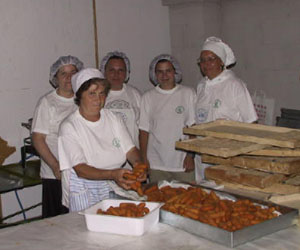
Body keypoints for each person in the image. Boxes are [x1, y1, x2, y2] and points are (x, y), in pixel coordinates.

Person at [58, 68, 146, 212]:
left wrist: (138, 165)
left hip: (114, 186)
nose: (98, 99)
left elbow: (130, 149)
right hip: (86, 190)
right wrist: (113, 174)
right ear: (79, 96)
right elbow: (81, 170)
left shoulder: (113, 118)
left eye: (102, 94)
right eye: (92, 93)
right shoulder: (69, 126)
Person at [195, 36, 257, 180]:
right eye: (202, 60)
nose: (206, 64)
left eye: (211, 59)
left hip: (227, 156)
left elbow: (251, 123)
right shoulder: (201, 86)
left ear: (221, 62)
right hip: (203, 156)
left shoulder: (234, 85)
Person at [31, 55, 84, 218]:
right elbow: (37, 138)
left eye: (73, 72)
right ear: (56, 78)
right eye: (63, 73)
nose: (69, 78)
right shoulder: (48, 102)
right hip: (56, 175)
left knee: (79, 220)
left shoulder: (84, 99)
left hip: (82, 172)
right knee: (56, 224)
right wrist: (55, 166)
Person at [139, 54, 196, 183]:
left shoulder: (188, 93)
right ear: (154, 74)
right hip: (156, 164)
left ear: (175, 72)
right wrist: (144, 159)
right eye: (160, 72)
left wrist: (190, 156)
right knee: (158, 200)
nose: (164, 75)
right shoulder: (148, 97)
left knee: (189, 200)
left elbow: (193, 128)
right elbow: (143, 131)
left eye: (168, 71)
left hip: (182, 163)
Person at [100, 51, 141, 151]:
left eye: (121, 70)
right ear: (104, 72)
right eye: (112, 70)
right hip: (106, 153)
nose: (116, 74)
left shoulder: (135, 94)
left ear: (126, 73)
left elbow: (143, 128)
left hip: (132, 154)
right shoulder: (97, 94)